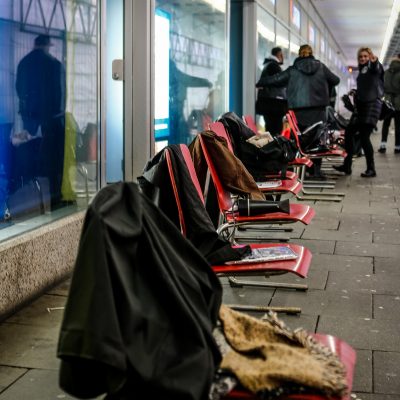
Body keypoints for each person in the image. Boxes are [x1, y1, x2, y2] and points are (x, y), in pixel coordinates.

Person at [257, 44, 340, 178]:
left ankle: (304, 169)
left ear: (299, 54)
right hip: (319, 111)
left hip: (298, 113)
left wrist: (261, 82)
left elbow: (276, 80)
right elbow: (336, 80)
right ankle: (316, 171)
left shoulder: (293, 70)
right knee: (318, 140)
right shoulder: (321, 67)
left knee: (301, 141)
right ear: (311, 54)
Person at [15, 34, 66, 208]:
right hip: (50, 122)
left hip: (29, 121)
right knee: (53, 167)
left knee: (28, 165)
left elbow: (19, 90)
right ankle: (55, 202)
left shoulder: (23, 63)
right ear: (46, 46)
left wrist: (28, 118)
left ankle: (27, 204)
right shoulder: (55, 65)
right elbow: (60, 96)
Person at [334, 47, 384, 177]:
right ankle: (347, 165)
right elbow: (368, 86)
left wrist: (374, 61)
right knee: (349, 132)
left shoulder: (373, 67)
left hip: (371, 107)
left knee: (364, 137)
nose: (363, 58)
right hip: (362, 107)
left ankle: (371, 168)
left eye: (365, 56)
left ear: (370, 57)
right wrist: (356, 92)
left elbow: (376, 68)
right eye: (361, 57)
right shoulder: (362, 70)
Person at [169, 59, 212, 144]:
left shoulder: (170, 72)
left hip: (175, 107)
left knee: (179, 130)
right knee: (180, 131)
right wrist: (206, 82)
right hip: (177, 107)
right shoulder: (173, 71)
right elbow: (188, 80)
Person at [255, 47, 288, 136]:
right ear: (278, 55)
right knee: (275, 130)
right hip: (273, 105)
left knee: (270, 129)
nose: (283, 57)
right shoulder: (273, 66)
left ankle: (271, 147)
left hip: (268, 105)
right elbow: (280, 82)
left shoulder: (268, 65)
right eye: (281, 55)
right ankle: (273, 149)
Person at [378, 54, 400, 154]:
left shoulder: (386, 72)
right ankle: (397, 147)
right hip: (399, 102)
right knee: (398, 126)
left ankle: (383, 145)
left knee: (385, 125)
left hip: (388, 102)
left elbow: (382, 87)